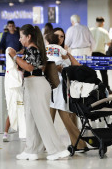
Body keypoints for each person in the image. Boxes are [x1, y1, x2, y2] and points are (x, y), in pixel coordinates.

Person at [8, 24, 70, 161]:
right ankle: (31, 150)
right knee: (30, 120)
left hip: (37, 85)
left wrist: (14, 56)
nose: (19, 39)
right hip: (32, 85)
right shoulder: (30, 49)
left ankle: (57, 150)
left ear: (28, 37)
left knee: (43, 120)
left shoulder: (33, 49)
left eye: (21, 37)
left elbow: (30, 66)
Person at [46, 32, 88, 151]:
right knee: (61, 115)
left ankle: (44, 144)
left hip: (49, 85)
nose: (60, 38)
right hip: (60, 86)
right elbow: (73, 65)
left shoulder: (45, 49)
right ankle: (79, 144)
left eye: (62, 36)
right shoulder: (62, 50)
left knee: (51, 117)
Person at [90, 17, 111, 93]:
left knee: (92, 71)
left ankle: (93, 88)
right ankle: (106, 89)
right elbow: (108, 43)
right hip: (101, 53)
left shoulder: (90, 30)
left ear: (96, 22)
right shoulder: (104, 31)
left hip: (92, 54)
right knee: (104, 72)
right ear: (103, 23)